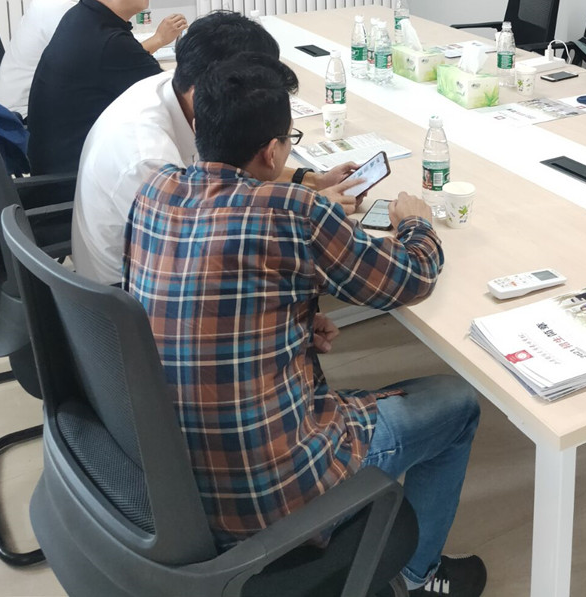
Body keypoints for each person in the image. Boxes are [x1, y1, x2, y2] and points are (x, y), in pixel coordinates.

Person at [124, 54, 487, 597]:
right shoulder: (291, 210)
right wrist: (417, 224)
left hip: (171, 478)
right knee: (457, 404)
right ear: (272, 152)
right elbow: (409, 278)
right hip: (272, 491)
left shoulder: (155, 190)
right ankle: (417, 577)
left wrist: (289, 321)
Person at [73, 10, 366, 285]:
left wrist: (312, 181)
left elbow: (234, 166)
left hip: (155, 262)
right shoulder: (150, 159)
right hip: (128, 291)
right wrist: (309, 213)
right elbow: (210, 248)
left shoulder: (180, 87)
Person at [27, 0, 186, 173]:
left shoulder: (81, 16)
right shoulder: (110, 43)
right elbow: (179, 102)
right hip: (76, 180)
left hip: (63, 165)